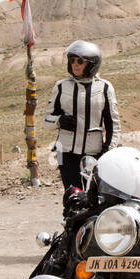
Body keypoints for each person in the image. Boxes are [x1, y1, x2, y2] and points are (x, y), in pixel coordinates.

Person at [44, 40, 121, 189]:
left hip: (94, 152)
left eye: (80, 61)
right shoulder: (61, 86)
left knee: (95, 195)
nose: (75, 64)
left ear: (92, 64)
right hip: (64, 152)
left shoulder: (105, 87)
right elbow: (47, 120)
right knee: (72, 195)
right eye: (72, 60)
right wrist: (60, 120)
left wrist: (108, 149)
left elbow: (114, 124)